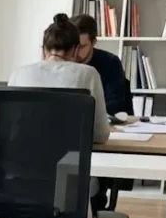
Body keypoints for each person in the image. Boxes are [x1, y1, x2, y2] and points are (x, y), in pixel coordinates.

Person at [7, 13, 111, 143]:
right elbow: (100, 135)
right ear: (75, 49)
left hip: (20, 160)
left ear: (44, 49)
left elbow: (8, 129)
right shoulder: (88, 74)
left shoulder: (18, 73)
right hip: (68, 161)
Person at [71, 14, 133, 116]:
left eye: (81, 47)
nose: (75, 52)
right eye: (72, 46)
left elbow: (114, 106)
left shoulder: (110, 62)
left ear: (93, 42)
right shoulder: (64, 61)